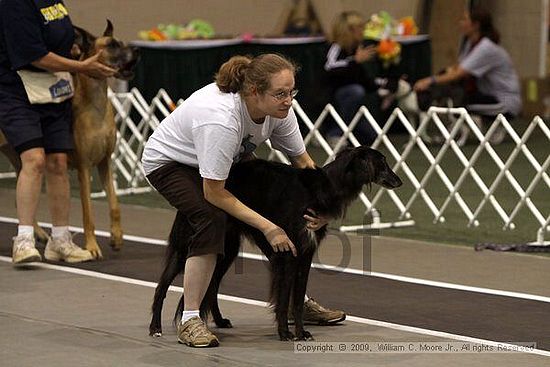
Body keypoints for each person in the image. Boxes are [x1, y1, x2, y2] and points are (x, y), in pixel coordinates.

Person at [142, 53, 346, 348]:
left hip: (222, 160)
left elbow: (303, 163)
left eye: (292, 92)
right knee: (211, 217)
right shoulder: (222, 119)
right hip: (171, 164)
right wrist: (269, 227)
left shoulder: (280, 112)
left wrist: (325, 208)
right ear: (254, 92)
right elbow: (214, 192)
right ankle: (190, 319)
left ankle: (294, 303)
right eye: (280, 94)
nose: (288, 101)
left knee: (276, 218)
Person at [0, 0, 116, 264]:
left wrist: (71, 49)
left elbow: (59, 35)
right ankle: (24, 240)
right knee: (34, 160)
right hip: (17, 89)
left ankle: (60, 240)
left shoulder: (53, 1)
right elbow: (34, 55)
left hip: (54, 88)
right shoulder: (13, 4)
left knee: (59, 162)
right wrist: (82, 67)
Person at [414, 7, 521, 143]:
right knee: (454, 98)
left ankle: (492, 124)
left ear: (476, 25)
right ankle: (460, 129)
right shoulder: (470, 44)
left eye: (464, 19)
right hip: (486, 95)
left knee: (458, 105)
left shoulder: (485, 48)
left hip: (504, 103)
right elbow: (457, 67)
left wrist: (429, 81)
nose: (460, 22)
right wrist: (444, 73)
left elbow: (459, 73)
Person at [323, 11, 387, 147]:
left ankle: (347, 132)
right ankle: (335, 133)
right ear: (349, 30)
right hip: (333, 96)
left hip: (354, 101)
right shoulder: (336, 48)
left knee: (373, 137)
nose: (363, 31)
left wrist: (386, 85)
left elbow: (365, 80)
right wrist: (355, 61)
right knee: (355, 91)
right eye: (360, 27)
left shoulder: (356, 49)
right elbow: (330, 70)